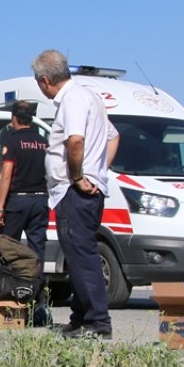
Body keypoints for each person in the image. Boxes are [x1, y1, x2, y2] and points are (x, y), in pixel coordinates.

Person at [34, 49, 120, 339]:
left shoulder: (71, 100)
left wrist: (79, 176)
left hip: (74, 191)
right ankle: (81, 316)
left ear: (45, 80)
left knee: (82, 256)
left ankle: (98, 322)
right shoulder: (90, 96)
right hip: (84, 190)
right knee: (77, 255)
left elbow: (75, 141)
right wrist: (100, 171)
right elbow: (113, 136)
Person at [0, 100, 49, 262]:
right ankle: (36, 283)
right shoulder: (43, 142)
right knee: (37, 246)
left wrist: (0, 207)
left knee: (8, 246)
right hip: (40, 199)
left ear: (14, 118)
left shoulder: (11, 141)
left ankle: (10, 282)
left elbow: (6, 175)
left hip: (18, 201)